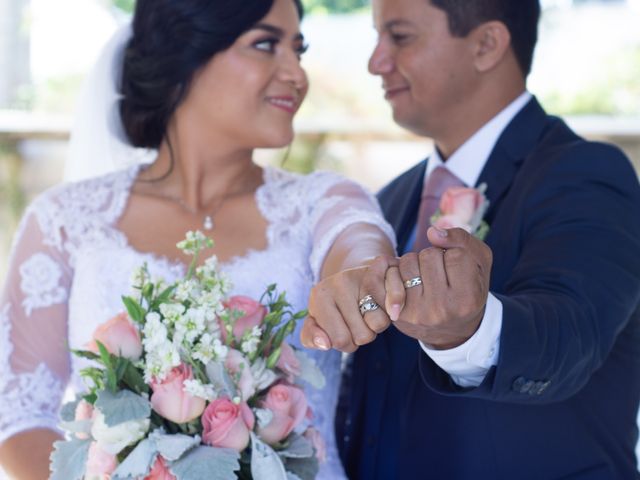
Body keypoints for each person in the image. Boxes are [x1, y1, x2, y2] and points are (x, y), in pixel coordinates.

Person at [0, 0, 397, 478]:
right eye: (266, 44)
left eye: (299, 49)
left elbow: (357, 244)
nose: (297, 74)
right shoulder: (66, 221)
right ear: (186, 48)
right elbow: (19, 417)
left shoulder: (321, 202)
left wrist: (364, 276)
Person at [301, 0, 640, 478]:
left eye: (399, 36)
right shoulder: (387, 202)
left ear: (486, 45)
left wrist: (468, 330)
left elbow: (571, 332)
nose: (375, 62)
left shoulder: (587, 174)